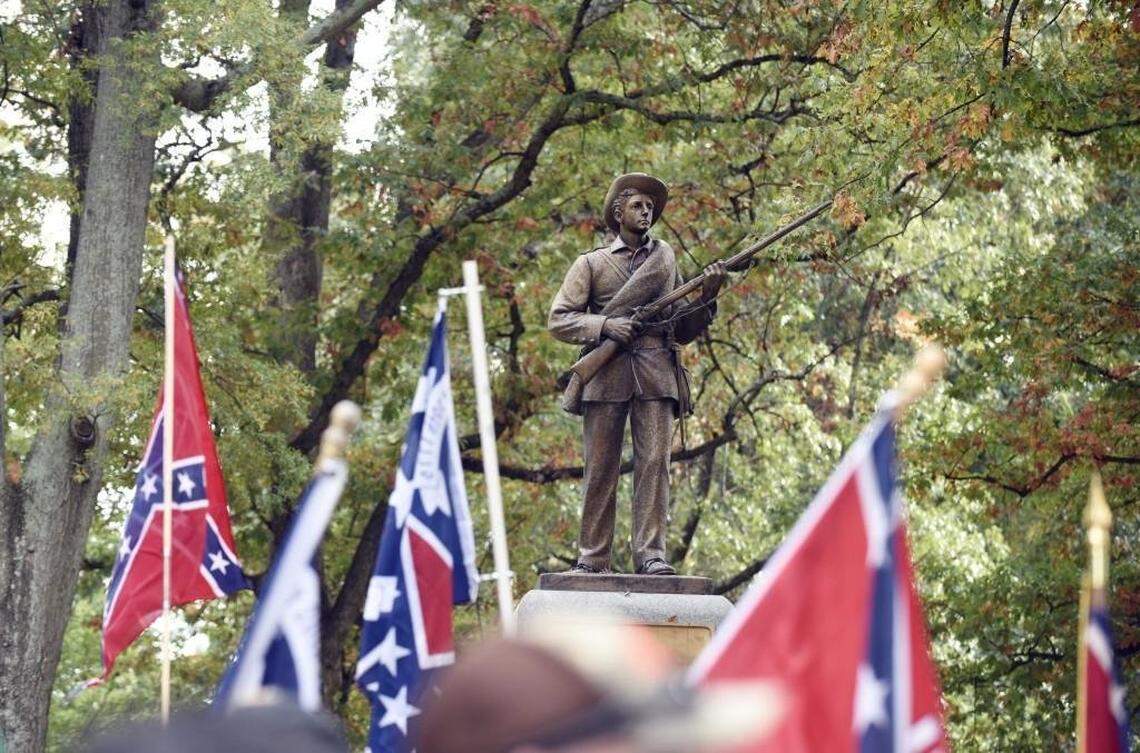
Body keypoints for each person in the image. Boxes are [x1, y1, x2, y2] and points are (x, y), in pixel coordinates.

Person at [549, 173, 725, 575]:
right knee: (601, 468)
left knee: (654, 466)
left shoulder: (666, 260)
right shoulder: (590, 264)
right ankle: (592, 558)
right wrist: (604, 327)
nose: (646, 212)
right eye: (637, 206)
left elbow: (682, 328)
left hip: (656, 370)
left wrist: (708, 296)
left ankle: (651, 555)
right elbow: (560, 320)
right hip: (606, 371)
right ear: (618, 212)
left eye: (650, 207)